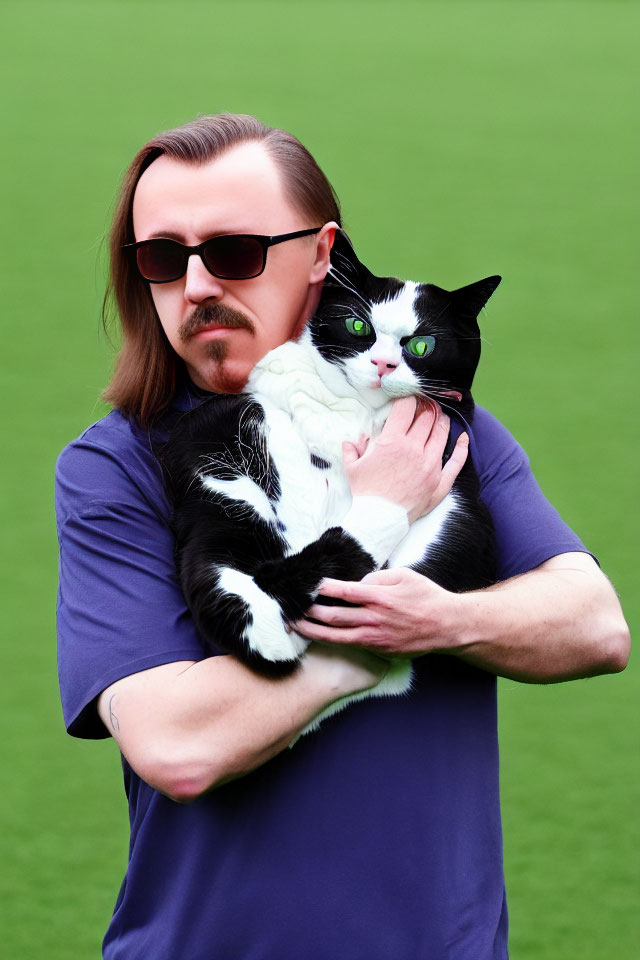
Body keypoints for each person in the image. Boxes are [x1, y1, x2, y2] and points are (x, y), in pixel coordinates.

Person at [56, 113, 630, 960]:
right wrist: (379, 564)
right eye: (162, 258)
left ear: (321, 254)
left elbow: (594, 623)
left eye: (235, 253)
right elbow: (178, 745)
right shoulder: (116, 466)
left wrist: (445, 619)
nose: (199, 284)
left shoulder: (429, 423)